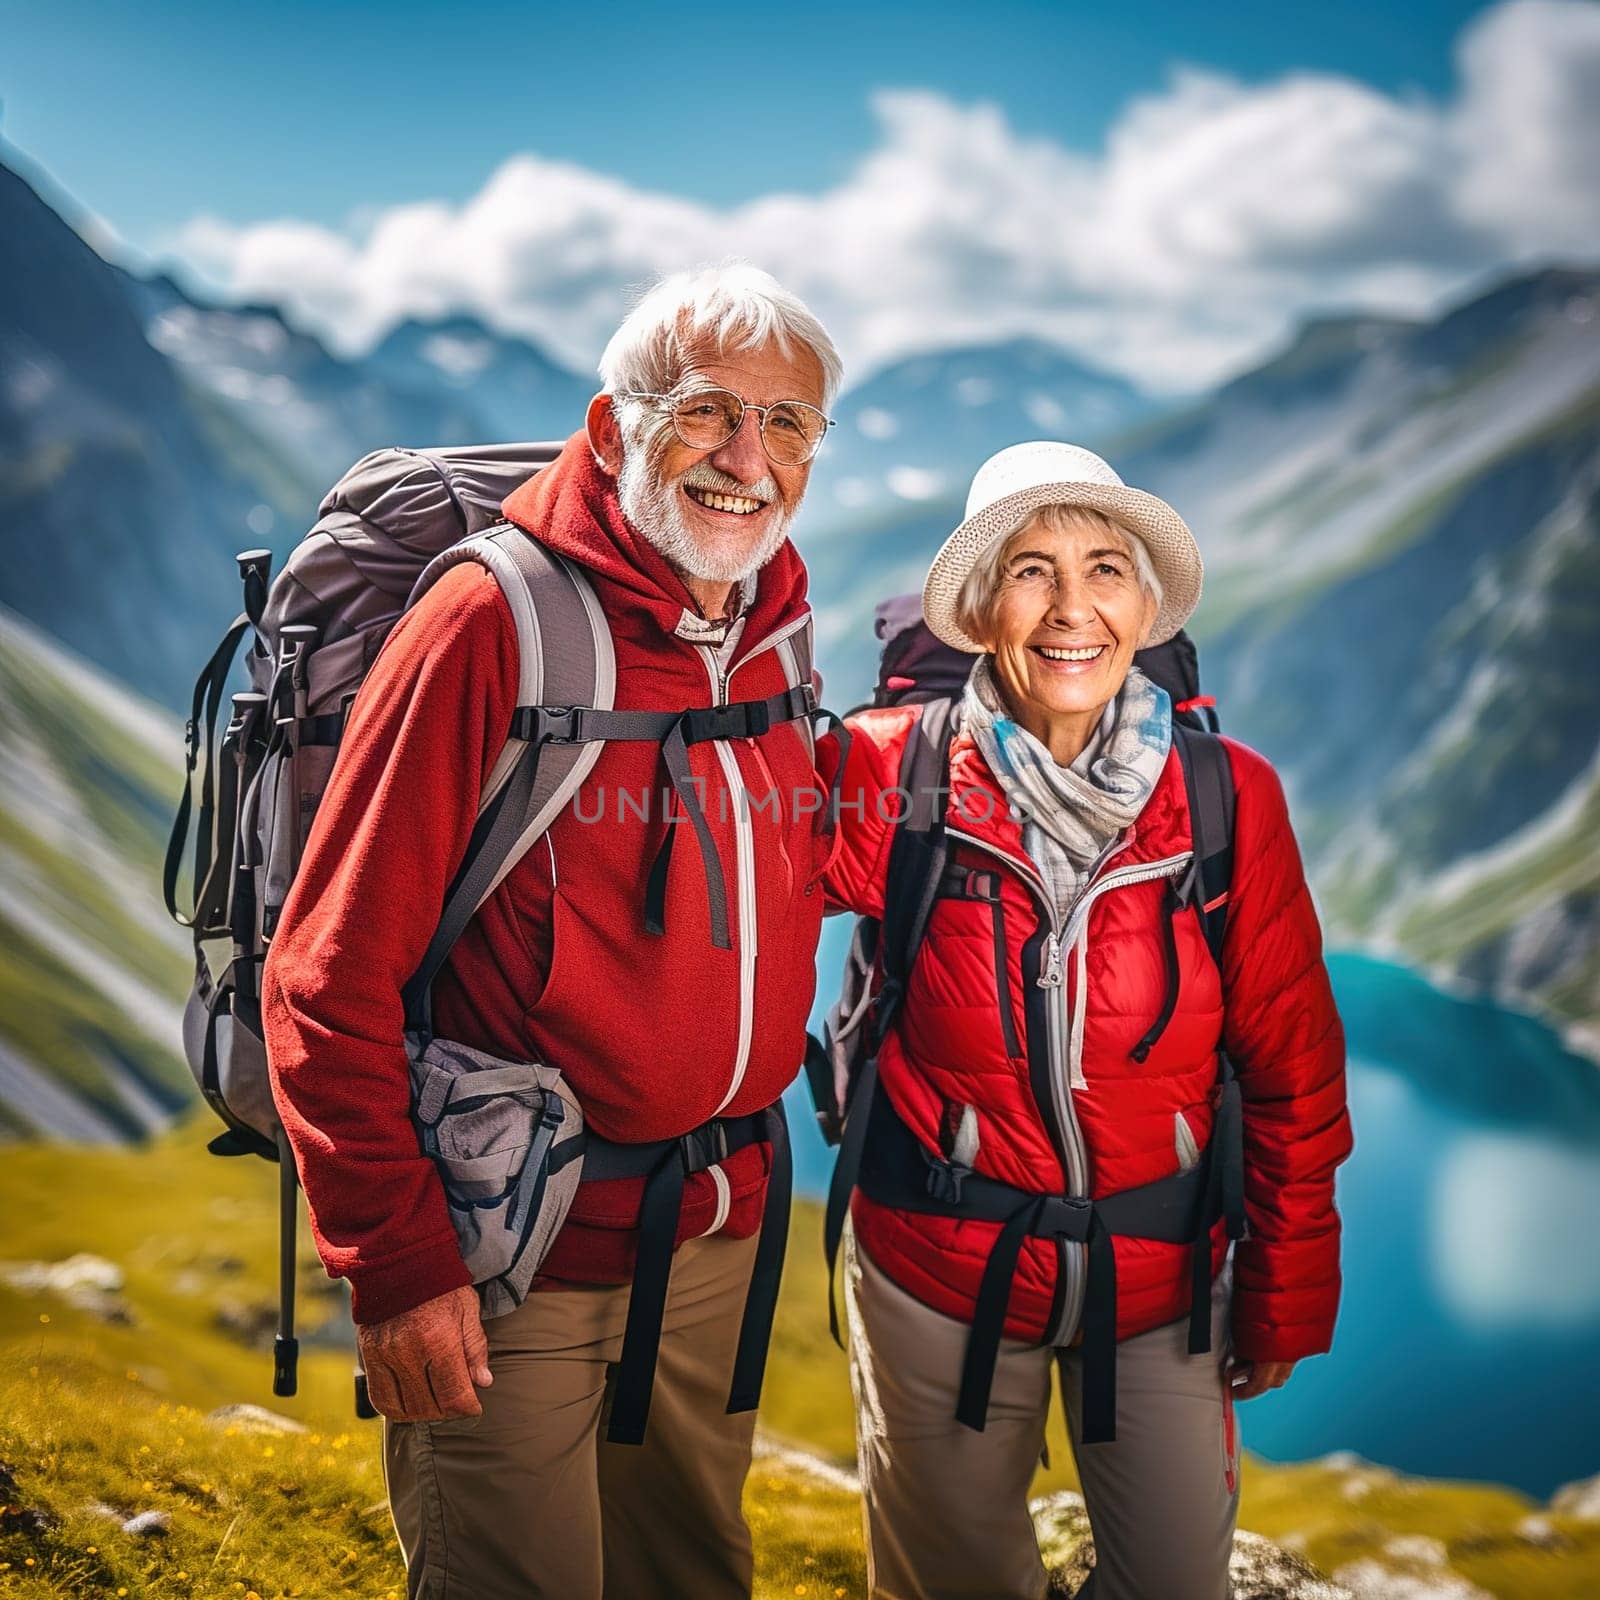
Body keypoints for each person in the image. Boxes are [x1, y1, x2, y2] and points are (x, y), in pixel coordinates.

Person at [262, 264, 843, 1600]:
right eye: (707, 412)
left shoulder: (772, 626)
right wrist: (399, 1268)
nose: (750, 459)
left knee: (693, 1576)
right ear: (610, 428)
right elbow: (323, 976)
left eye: (790, 425)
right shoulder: (489, 625)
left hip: (713, 1239)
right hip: (514, 1256)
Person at [816, 441, 1352, 1600]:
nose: (1071, 611)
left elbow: (1291, 1068)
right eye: (1028, 571)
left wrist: (1284, 1283)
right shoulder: (886, 774)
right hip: (932, 1267)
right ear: (973, 608)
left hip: (1158, 1274)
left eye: (1105, 570)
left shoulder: (1224, 797)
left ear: (1142, 602)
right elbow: (702, 870)